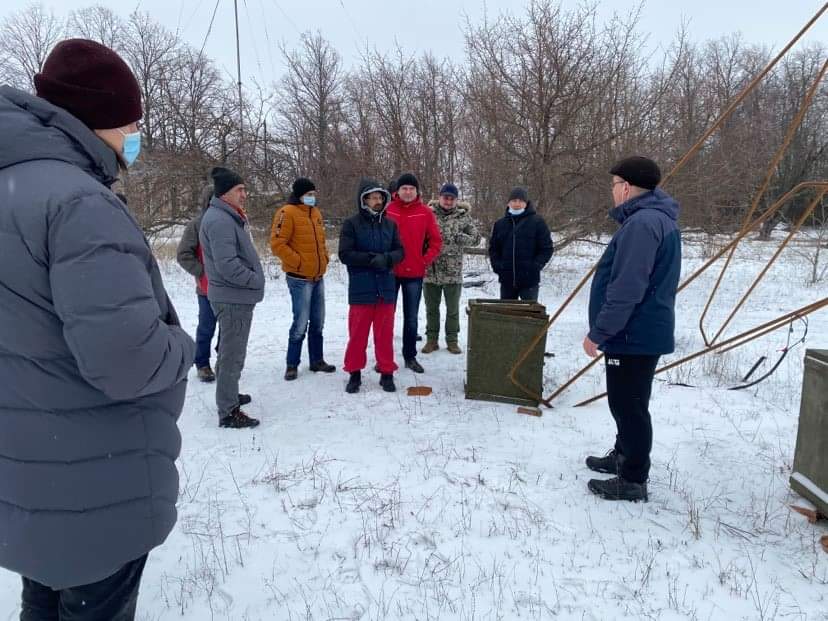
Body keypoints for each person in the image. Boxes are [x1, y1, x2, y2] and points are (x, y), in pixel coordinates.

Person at [0, 39, 195, 620]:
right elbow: (127, 360)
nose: (135, 135)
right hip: (94, 477)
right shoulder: (79, 203)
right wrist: (181, 346)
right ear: (97, 119)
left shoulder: (15, 190)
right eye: (130, 123)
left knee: (43, 593)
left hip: (29, 468)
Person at [583, 156, 682, 502]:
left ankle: (633, 478)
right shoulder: (654, 219)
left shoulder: (642, 224)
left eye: (614, 185)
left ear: (626, 187)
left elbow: (627, 287)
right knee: (626, 401)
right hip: (638, 331)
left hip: (633, 333)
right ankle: (623, 455)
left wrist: (599, 331)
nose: (612, 191)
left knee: (629, 406)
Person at [200, 166, 265, 429]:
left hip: (234, 296)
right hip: (232, 298)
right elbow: (227, 265)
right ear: (225, 193)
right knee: (231, 355)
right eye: (240, 190)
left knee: (232, 352)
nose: (244, 194)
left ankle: (229, 393)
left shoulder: (226, 216)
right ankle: (228, 411)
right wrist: (255, 280)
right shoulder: (219, 221)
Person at [339, 178, 405, 393]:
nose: (377, 201)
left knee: (385, 335)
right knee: (357, 335)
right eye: (373, 198)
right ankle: (354, 373)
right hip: (361, 288)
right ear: (363, 200)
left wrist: (387, 259)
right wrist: (369, 259)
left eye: (380, 197)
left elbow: (400, 251)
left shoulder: (390, 225)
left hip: (385, 287)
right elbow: (345, 254)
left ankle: (387, 373)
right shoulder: (351, 224)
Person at [270, 177, 335, 380]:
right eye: (308, 194)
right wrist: (298, 262)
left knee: (318, 322)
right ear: (299, 195)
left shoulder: (315, 213)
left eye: (314, 194)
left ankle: (317, 360)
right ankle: (292, 364)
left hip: (318, 277)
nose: (312, 197)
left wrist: (324, 258)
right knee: (300, 323)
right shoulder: (286, 213)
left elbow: (321, 241)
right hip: (299, 279)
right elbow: (277, 244)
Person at [385, 172, 442, 373]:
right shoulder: (388, 210)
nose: (408, 192)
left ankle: (410, 356)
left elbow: (436, 241)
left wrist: (424, 260)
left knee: (411, 317)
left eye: (411, 189)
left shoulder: (425, 212)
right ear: (398, 191)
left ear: (417, 191)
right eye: (404, 188)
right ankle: (384, 357)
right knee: (386, 317)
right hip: (389, 272)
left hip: (414, 273)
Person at [422, 183, 480, 354]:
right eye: (445, 197)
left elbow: (476, 238)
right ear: (439, 198)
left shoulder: (464, 217)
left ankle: (452, 340)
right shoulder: (428, 214)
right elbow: (417, 235)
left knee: (452, 310)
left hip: (453, 272)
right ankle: (432, 340)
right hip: (430, 271)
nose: (448, 201)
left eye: (451, 198)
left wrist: (462, 238)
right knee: (431, 310)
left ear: (456, 200)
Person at [177, 185, 219, 382]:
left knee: (229, 329)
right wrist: (201, 271)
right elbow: (183, 254)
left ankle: (224, 360)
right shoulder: (196, 225)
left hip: (230, 288)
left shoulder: (233, 221)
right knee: (206, 327)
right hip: (206, 289)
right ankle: (202, 364)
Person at [488, 187, 554, 301]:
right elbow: (494, 249)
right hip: (507, 281)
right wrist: (498, 267)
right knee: (506, 311)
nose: (517, 204)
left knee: (528, 312)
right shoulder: (500, 224)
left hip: (529, 281)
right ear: (508, 203)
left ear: (526, 203)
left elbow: (546, 248)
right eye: (514, 200)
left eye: (521, 201)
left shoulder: (537, 222)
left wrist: (535, 266)